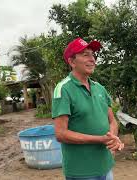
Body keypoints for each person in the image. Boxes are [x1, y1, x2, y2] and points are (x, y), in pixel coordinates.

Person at [52, 37, 124, 180]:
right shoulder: (63, 89)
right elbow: (61, 133)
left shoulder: (100, 88)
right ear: (72, 62)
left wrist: (112, 139)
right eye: (86, 55)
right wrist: (100, 139)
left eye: (93, 55)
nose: (92, 59)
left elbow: (112, 121)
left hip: (106, 165)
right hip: (82, 171)